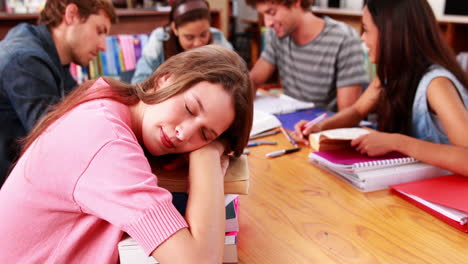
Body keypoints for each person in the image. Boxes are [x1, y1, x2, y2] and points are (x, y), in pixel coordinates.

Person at [0, 45, 254, 263]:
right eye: (189, 108)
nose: (184, 134)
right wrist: (208, 153)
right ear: (165, 78)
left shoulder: (111, 101)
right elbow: (199, 261)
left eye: (205, 134)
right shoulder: (107, 141)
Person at [294, 0, 468, 175]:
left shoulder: (437, 85)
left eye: (366, 30)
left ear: (392, 33)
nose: (362, 38)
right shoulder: (391, 73)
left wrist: (396, 142)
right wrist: (320, 127)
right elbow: (357, 111)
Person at [0, 0, 117, 186]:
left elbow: (81, 110)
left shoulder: (51, 57)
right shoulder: (26, 60)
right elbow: (56, 141)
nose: (103, 46)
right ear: (71, 14)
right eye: (99, 31)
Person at [246, 0, 369, 111]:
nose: (267, 23)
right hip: (290, 120)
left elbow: (348, 114)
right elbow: (254, 80)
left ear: (296, 2)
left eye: (272, 12)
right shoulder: (277, 35)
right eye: (263, 14)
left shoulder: (344, 39)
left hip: (322, 128)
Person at [131, 0, 233, 84]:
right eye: (189, 37)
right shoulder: (159, 40)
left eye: (203, 35)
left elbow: (238, 74)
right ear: (174, 28)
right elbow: (138, 83)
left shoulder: (217, 38)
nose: (198, 43)